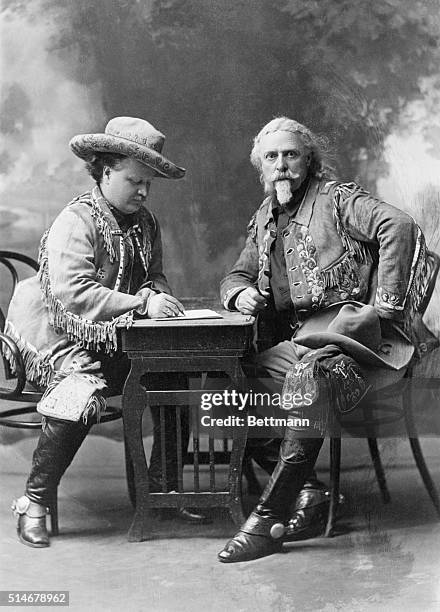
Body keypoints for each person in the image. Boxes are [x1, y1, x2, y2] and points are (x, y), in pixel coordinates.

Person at [218, 116, 436, 563]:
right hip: (304, 343)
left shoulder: (336, 200)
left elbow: (400, 226)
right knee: (233, 390)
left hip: (361, 341)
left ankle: (266, 520)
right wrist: (239, 292)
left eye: (291, 155)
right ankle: (312, 494)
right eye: (271, 157)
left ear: (308, 160)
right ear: (262, 167)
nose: (281, 165)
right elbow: (238, 272)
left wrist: (385, 306)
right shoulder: (265, 218)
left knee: (310, 378)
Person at [5, 116, 206, 548]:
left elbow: (156, 277)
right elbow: (72, 295)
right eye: (134, 180)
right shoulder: (76, 221)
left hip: (115, 338)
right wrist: (142, 303)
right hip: (55, 336)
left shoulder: (146, 224)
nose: (143, 191)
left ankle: (162, 495)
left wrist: (156, 293)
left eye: (148, 183)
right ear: (106, 170)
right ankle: (34, 502)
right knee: (82, 392)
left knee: (173, 378)